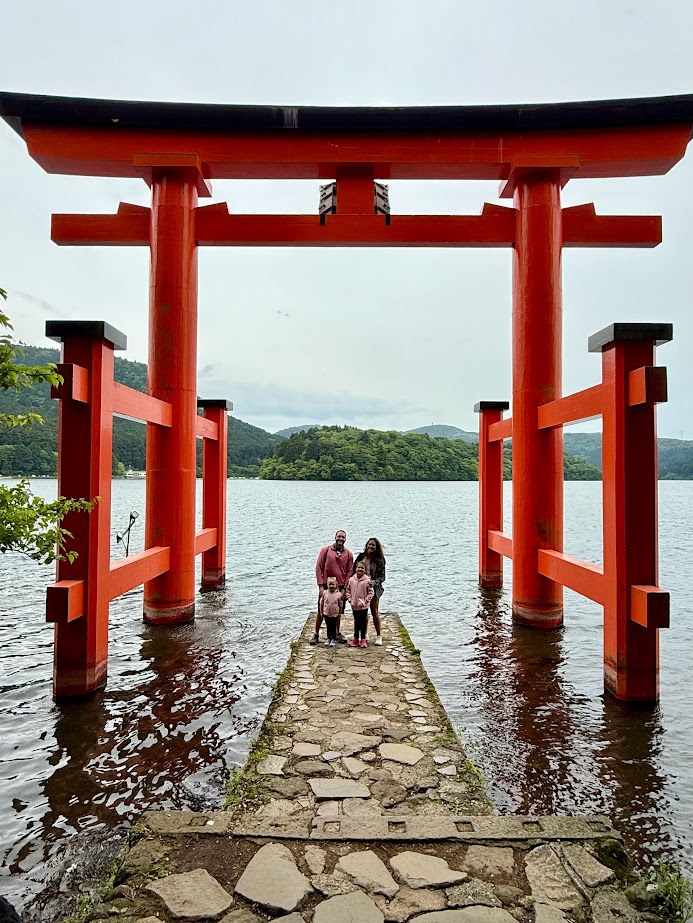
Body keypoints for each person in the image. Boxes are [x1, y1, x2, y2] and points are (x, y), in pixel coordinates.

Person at [312, 529, 354, 645]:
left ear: (345, 539)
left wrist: (345, 589)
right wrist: (320, 585)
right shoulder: (325, 550)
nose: (340, 539)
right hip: (326, 585)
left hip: (340, 587)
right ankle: (316, 634)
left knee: (338, 611)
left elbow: (349, 572)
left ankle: (336, 633)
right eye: (339, 536)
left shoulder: (349, 554)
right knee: (321, 610)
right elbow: (319, 567)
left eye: (343, 537)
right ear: (335, 537)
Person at [353, 537, 386, 646]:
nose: (371, 547)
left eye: (373, 545)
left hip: (374, 589)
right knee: (363, 612)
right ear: (366, 545)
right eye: (369, 544)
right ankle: (364, 633)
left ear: (376, 548)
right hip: (361, 587)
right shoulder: (361, 557)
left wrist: (374, 582)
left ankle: (378, 635)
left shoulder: (380, 560)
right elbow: (354, 571)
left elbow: (382, 577)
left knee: (374, 611)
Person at [346, 560, 374, 647]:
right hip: (354, 605)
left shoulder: (367, 580)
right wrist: (350, 599)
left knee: (363, 623)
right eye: (359, 567)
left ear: (365, 570)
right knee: (356, 622)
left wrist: (366, 600)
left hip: (363, 606)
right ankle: (355, 638)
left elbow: (371, 592)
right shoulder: (351, 580)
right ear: (355, 569)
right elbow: (348, 590)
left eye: (362, 568)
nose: (360, 569)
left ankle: (363, 639)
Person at [320, 576, 342, 646]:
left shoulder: (338, 594)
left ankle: (333, 639)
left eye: (333, 584)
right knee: (328, 626)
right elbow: (321, 603)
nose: (331, 586)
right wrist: (321, 611)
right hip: (326, 613)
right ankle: (328, 638)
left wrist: (339, 613)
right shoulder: (325, 593)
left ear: (336, 585)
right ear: (327, 585)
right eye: (330, 584)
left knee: (333, 626)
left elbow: (340, 604)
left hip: (335, 614)